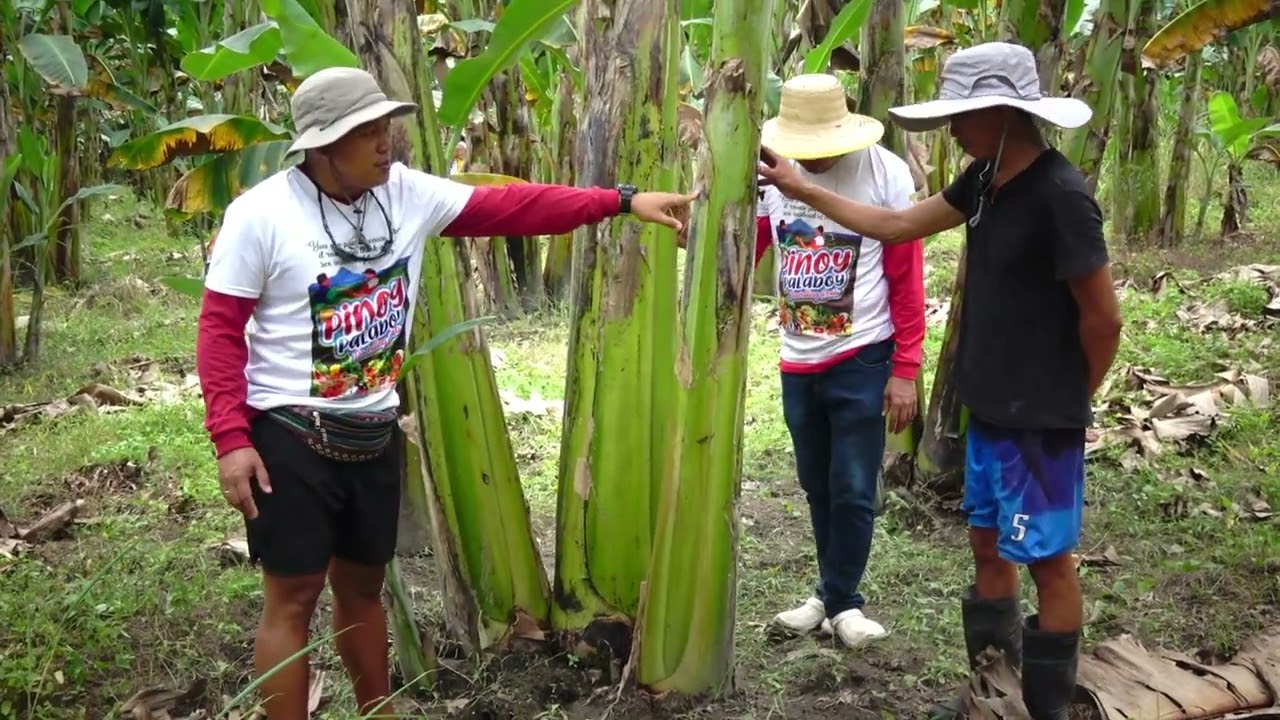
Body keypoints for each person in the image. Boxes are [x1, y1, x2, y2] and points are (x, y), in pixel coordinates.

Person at [195, 66, 695, 720]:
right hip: (291, 436)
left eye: (386, 128)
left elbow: (514, 207)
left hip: (372, 432)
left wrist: (622, 201)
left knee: (363, 590)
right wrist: (232, 441)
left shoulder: (404, 194)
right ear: (322, 146)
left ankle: (380, 711)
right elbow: (220, 330)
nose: (386, 144)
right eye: (368, 133)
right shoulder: (259, 216)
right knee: (291, 597)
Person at [755, 43, 1122, 720]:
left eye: (962, 116)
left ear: (1004, 114)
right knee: (987, 545)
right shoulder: (983, 182)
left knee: (1048, 562)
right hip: (989, 407)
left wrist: (1071, 402)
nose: (951, 130)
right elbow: (897, 225)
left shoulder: (1061, 196)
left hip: (1039, 416)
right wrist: (804, 189)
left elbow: (1103, 320)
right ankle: (994, 693)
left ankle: (1047, 710)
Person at [753, 74, 926, 649]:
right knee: (815, 483)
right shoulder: (769, 174)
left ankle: (845, 602)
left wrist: (906, 367)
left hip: (862, 353)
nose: (815, 160)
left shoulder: (885, 174)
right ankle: (828, 596)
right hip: (797, 358)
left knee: (852, 484)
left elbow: (906, 276)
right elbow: (743, 245)